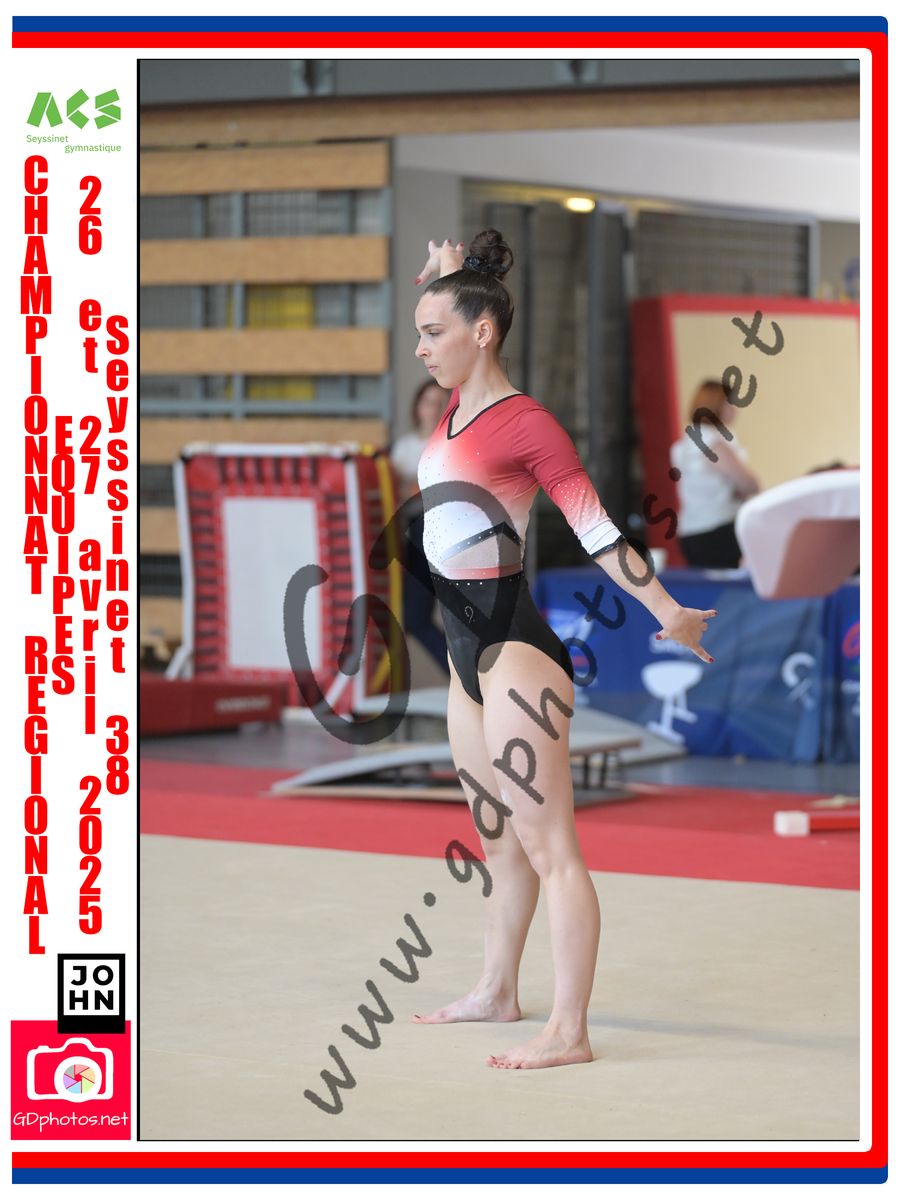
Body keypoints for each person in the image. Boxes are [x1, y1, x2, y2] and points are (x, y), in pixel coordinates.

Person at [410, 230, 716, 1070]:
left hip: (513, 649)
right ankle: (497, 991)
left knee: (552, 849)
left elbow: (598, 532)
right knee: (498, 841)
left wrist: (667, 609)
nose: (421, 348)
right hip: (463, 653)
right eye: (419, 333)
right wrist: (452, 277)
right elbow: (465, 309)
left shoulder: (527, 424)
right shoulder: (456, 409)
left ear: (481, 334)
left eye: (433, 333)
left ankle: (570, 1030)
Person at [390, 381, 451, 674]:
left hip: (443, 534)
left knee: (419, 618)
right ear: (417, 407)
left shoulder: (454, 443)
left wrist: (413, 489)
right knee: (413, 617)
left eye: (441, 403)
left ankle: (470, 681)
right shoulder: (404, 447)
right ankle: (469, 680)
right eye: (428, 402)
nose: (434, 409)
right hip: (411, 537)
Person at [670, 379, 762, 568]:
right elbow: (749, 483)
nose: (735, 409)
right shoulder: (712, 442)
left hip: (691, 530)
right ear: (716, 404)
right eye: (730, 402)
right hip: (717, 530)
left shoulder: (685, 443)